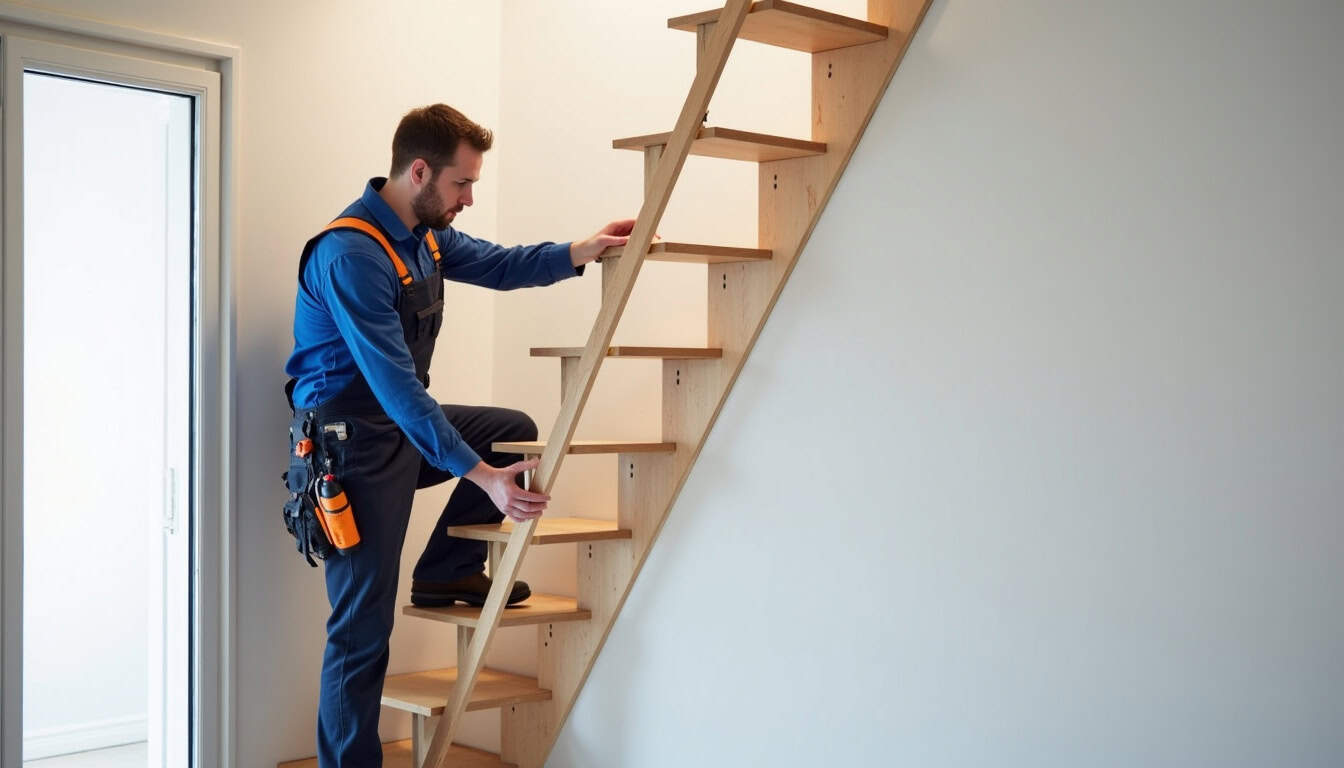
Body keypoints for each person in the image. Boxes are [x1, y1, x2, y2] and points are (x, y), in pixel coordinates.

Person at [282, 103, 633, 767]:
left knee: (510, 432)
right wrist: (481, 479)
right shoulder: (352, 253)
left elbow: (501, 265)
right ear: (419, 172)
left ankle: (445, 573)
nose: (469, 198)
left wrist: (583, 250)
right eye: (462, 184)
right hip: (349, 451)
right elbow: (395, 385)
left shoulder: (424, 235)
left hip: (396, 426)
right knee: (360, 633)